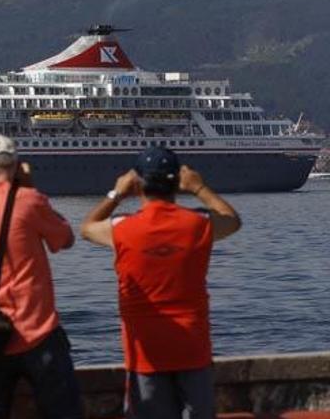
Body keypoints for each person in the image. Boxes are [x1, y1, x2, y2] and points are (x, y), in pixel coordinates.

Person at [80, 147, 242, 419]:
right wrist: (199, 187)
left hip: (145, 349)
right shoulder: (199, 224)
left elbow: (86, 228)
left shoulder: (121, 228)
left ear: (138, 183)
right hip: (192, 344)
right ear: (178, 182)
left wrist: (117, 193)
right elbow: (233, 221)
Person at [0, 134, 82, 419]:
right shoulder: (30, 201)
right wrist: (30, 188)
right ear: (18, 166)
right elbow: (65, 239)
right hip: (39, 333)